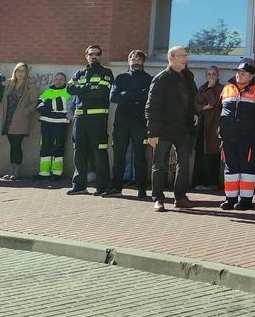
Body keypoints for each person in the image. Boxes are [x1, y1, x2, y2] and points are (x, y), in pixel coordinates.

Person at [145, 46, 199, 211]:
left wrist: (194, 113)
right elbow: (151, 106)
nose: (185, 59)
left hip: (183, 129)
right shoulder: (161, 78)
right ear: (171, 58)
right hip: (163, 129)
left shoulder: (187, 76)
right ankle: (158, 199)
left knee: (184, 164)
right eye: (181, 56)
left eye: (186, 56)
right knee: (159, 165)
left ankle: (180, 197)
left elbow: (192, 98)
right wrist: (152, 133)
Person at [218, 60, 255, 210]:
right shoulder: (227, 89)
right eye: (238, 72)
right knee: (230, 168)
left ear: (251, 76)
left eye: (243, 73)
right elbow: (219, 111)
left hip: (250, 139)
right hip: (228, 138)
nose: (239, 75)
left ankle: (246, 200)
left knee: (247, 170)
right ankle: (230, 199)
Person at [66, 45, 114, 196]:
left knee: (99, 152)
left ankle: (102, 187)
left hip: (97, 119)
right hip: (80, 119)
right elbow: (69, 89)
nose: (94, 56)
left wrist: (82, 89)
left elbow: (101, 93)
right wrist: (89, 87)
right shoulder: (79, 73)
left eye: (97, 54)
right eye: (91, 54)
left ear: (101, 56)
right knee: (79, 152)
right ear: (86, 55)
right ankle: (79, 186)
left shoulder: (106, 72)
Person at [110, 50, 152, 197]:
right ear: (128, 61)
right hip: (121, 122)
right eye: (133, 58)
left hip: (140, 123)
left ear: (143, 62)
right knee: (119, 155)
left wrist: (125, 95)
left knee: (140, 156)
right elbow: (114, 97)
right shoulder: (121, 78)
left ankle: (142, 189)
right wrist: (135, 97)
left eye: (139, 59)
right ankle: (116, 186)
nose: (135, 61)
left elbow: (148, 98)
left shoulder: (149, 79)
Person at [0, 63, 39, 181]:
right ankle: (11, 170)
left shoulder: (30, 85)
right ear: (14, 72)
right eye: (18, 71)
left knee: (16, 145)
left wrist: (27, 111)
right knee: (12, 145)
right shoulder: (9, 84)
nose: (20, 73)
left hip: (20, 119)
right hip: (8, 118)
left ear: (26, 73)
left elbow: (34, 101)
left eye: (23, 71)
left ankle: (16, 171)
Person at [193, 66, 224, 192]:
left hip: (213, 125)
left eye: (214, 74)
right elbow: (196, 103)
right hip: (202, 126)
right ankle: (198, 182)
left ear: (217, 76)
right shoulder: (201, 88)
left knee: (212, 154)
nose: (211, 77)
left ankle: (211, 183)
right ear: (205, 76)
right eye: (209, 74)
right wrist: (203, 107)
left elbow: (214, 102)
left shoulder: (222, 88)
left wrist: (211, 90)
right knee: (200, 154)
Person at [36, 72, 70, 181]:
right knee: (45, 146)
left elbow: (63, 104)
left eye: (61, 79)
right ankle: (44, 172)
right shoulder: (48, 91)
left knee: (58, 147)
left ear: (65, 81)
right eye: (56, 79)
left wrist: (49, 104)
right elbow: (39, 104)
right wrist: (49, 106)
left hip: (61, 123)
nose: (58, 81)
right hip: (46, 122)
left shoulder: (68, 92)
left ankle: (57, 173)